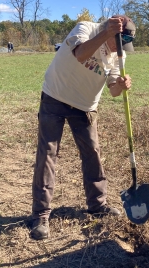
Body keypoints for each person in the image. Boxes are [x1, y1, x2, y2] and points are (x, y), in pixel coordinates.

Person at [30, 15, 136, 240]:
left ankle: (97, 205)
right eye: (118, 42)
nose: (120, 49)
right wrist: (106, 33)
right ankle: (40, 214)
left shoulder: (119, 54)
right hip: (55, 97)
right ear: (110, 30)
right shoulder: (85, 29)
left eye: (123, 45)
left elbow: (114, 91)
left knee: (92, 153)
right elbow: (80, 54)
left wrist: (121, 85)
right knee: (48, 154)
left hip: (85, 107)